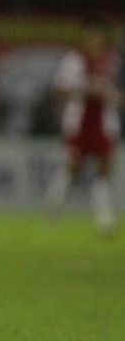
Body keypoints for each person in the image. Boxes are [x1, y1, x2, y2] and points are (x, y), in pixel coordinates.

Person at [45, 17, 122, 236]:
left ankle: (104, 219)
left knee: (105, 168)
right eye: (92, 37)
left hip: (105, 123)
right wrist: (87, 89)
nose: (96, 41)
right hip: (78, 122)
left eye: (100, 37)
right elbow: (60, 89)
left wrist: (112, 96)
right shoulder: (74, 60)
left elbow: (115, 92)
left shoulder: (112, 60)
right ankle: (54, 205)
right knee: (73, 167)